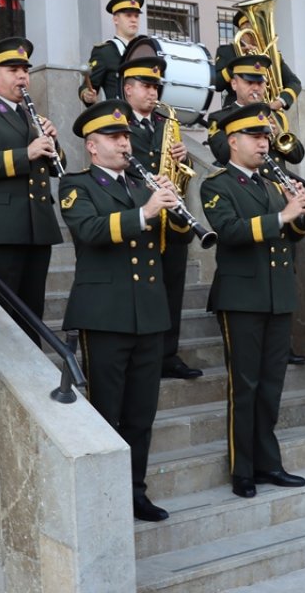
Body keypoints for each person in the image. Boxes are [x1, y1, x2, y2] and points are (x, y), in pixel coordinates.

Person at [58, 99, 189, 522]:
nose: (124, 142)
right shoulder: (76, 185)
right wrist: (147, 211)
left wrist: (177, 211)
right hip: (105, 315)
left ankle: (134, 491)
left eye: (126, 136)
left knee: (140, 414)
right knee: (106, 412)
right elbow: (91, 231)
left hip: (149, 314)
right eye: (115, 137)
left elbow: (174, 239)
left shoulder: (140, 185)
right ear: (92, 147)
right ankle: (102, 499)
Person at [200, 103, 305, 499]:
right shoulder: (217, 184)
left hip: (277, 294)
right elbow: (229, 231)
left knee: (271, 386)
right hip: (242, 296)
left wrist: (298, 213)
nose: (264, 143)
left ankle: (269, 462)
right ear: (233, 141)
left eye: (266, 137)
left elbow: (291, 236)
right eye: (256, 137)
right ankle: (242, 468)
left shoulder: (269, 184)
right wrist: (282, 217)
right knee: (244, 386)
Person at [0, 37, 63, 343]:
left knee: (33, 312)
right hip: (2, 228)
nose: (22, 77)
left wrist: (53, 144)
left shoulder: (32, 116)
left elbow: (54, 167)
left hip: (37, 226)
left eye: (25, 70)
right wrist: (26, 153)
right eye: (13, 69)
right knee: (1, 315)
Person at [120, 56, 202, 380]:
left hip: (171, 217)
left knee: (173, 287)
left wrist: (182, 157)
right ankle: (143, 357)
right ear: (128, 90)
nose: (153, 93)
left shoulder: (167, 119)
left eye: (156, 86)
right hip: (139, 213)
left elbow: (179, 167)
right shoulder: (116, 120)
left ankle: (169, 354)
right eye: (146, 86)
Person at [205, 54, 305, 168]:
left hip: (277, 185)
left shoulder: (274, 116)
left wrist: (278, 135)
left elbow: (298, 156)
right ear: (234, 84)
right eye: (249, 83)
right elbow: (223, 154)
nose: (256, 88)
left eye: (260, 83)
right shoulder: (219, 118)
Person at [211, 10, 301, 110]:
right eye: (253, 25)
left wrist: (280, 102)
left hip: (266, 112)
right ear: (243, 28)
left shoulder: (270, 54)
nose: (260, 31)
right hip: (236, 112)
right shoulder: (227, 51)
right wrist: (237, 61)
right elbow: (217, 84)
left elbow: (295, 83)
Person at [79, 0, 144, 105]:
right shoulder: (105, 52)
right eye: (128, 15)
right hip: (120, 116)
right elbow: (88, 86)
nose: (134, 20)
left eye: (136, 16)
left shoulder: (146, 50)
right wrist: (87, 95)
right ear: (116, 19)